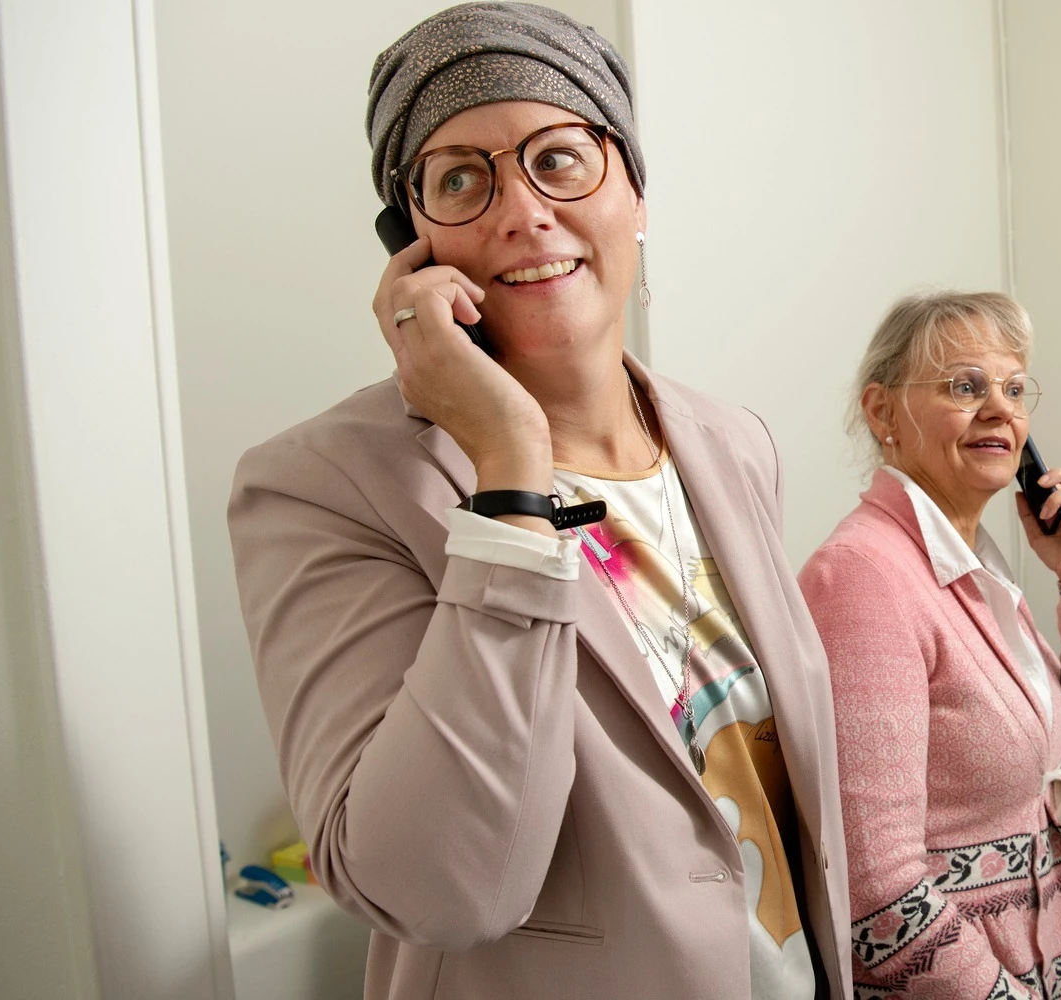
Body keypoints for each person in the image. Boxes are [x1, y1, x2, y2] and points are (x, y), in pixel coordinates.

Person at [226, 5, 848, 997]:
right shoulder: (321, 487)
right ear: (413, 242)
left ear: (634, 193)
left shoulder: (732, 444)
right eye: (462, 178)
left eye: (560, 158)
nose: (522, 211)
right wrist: (508, 471)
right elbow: (435, 888)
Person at [798, 292, 1061, 999]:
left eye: (1013, 389)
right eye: (965, 386)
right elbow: (876, 890)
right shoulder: (863, 578)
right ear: (883, 413)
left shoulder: (970, 565)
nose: (1001, 410)